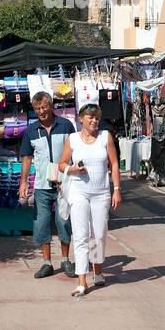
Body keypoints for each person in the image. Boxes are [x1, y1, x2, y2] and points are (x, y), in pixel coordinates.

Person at [56, 103, 121, 298]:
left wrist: (116, 189)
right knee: (81, 235)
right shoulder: (73, 139)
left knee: (99, 234)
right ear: (81, 118)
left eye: (97, 118)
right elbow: (61, 164)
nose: (94, 121)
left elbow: (114, 163)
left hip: (101, 193)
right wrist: (72, 169)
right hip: (79, 192)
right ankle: (82, 281)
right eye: (90, 117)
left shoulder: (105, 137)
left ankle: (98, 271)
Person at [19, 92, 76, 279]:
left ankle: (66, 260)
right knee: (41, 223)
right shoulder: (31, 130)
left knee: (64, 222)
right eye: (37, 109)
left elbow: (75, 152)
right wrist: (23, 182)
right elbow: (27, 158)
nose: (41, 112)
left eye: (44, 107)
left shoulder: (66, 125)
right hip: (42, 185)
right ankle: (47, 263)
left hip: (63, 184)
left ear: (51, 106)